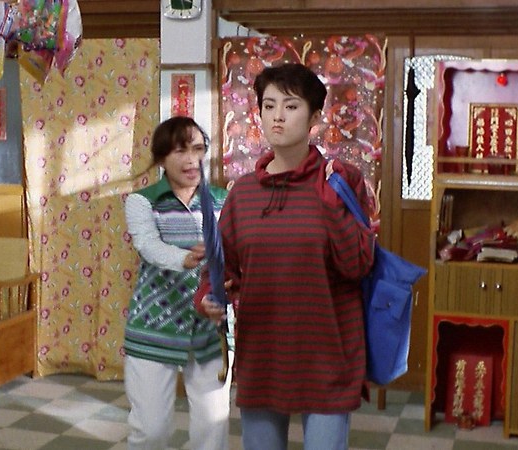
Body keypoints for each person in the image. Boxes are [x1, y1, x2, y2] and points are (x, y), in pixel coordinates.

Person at [195, 63, 376, 450]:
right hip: (263, 354)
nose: (277, 116)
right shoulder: (243, 193)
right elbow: (220, 268)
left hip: (328, 355)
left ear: (314, 118)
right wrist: (209, 296)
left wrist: (331, 204)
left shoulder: (341, 181)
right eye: (268, 105)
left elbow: (358, 264)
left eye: (291, 106)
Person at [123, 116, 230, 450]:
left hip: (210, 327)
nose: (191, 159)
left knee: (213, 429)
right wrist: (187, 258)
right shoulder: (142, 201)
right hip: (153, 325)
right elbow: (148, 245)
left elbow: (236, 254)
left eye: (197, 149)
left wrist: (223, 262)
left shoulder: (223, 200)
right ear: (161, 158)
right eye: (180, 151)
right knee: (151, 431)